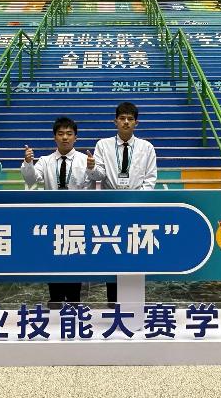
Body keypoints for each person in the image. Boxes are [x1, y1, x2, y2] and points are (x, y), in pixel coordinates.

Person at [86, 101, 157, 303]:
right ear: (115, 121)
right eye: (122, 118)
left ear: (136, 123)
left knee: (135, 252)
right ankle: (113, 302)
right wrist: (91, 167)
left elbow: (150, 179)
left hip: (136, 208)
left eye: (130, 119)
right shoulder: (103, 145)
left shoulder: (146, 147)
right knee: (114, 251)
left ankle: (133, 302)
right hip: (111, 207)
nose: (126, 122)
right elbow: (98, 176)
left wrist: (137, 202)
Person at [21, 116, 92, 306]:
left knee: (74, 258)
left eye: (69, 134)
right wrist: (28, 163)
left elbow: (90, 186)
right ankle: (55, 299)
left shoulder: (84, 160)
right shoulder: (45, 161)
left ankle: (75, 300)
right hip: (52, 217)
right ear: (55, 137)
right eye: (61, 134)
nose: (65, 137)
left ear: (75, 137)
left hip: (77, 218)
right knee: (53, 258)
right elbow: (31, 180)